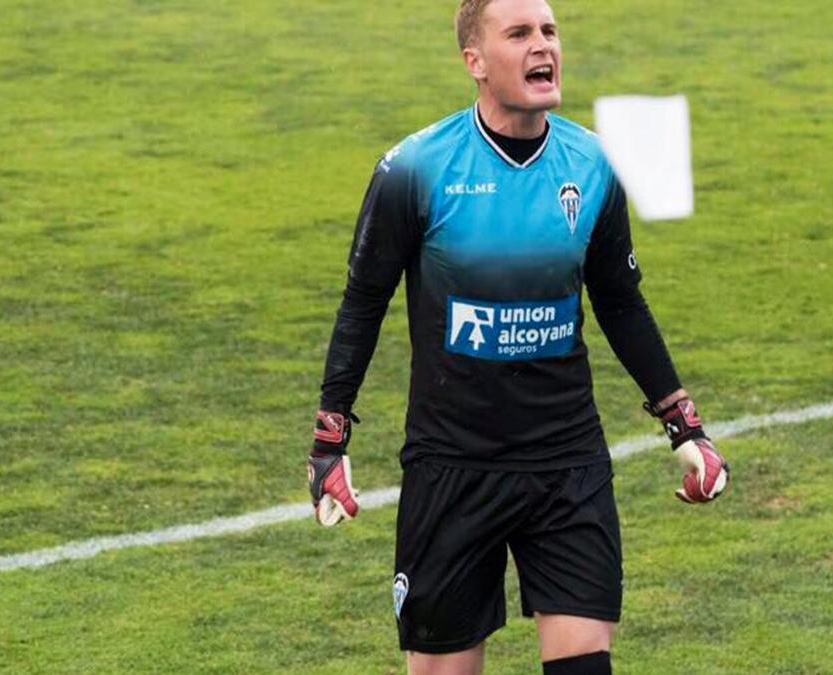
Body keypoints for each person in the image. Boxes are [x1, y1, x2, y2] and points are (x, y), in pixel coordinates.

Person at [308, 1, 730, 673]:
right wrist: (330, 439)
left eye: (550, 31)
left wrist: (686, 424)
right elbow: (364, 301)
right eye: (520, 34)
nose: (544, 47)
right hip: (452, 465)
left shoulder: (590, 165)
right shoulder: (415, 169)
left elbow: (620, 302)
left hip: (566, 462)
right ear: (474, 62)